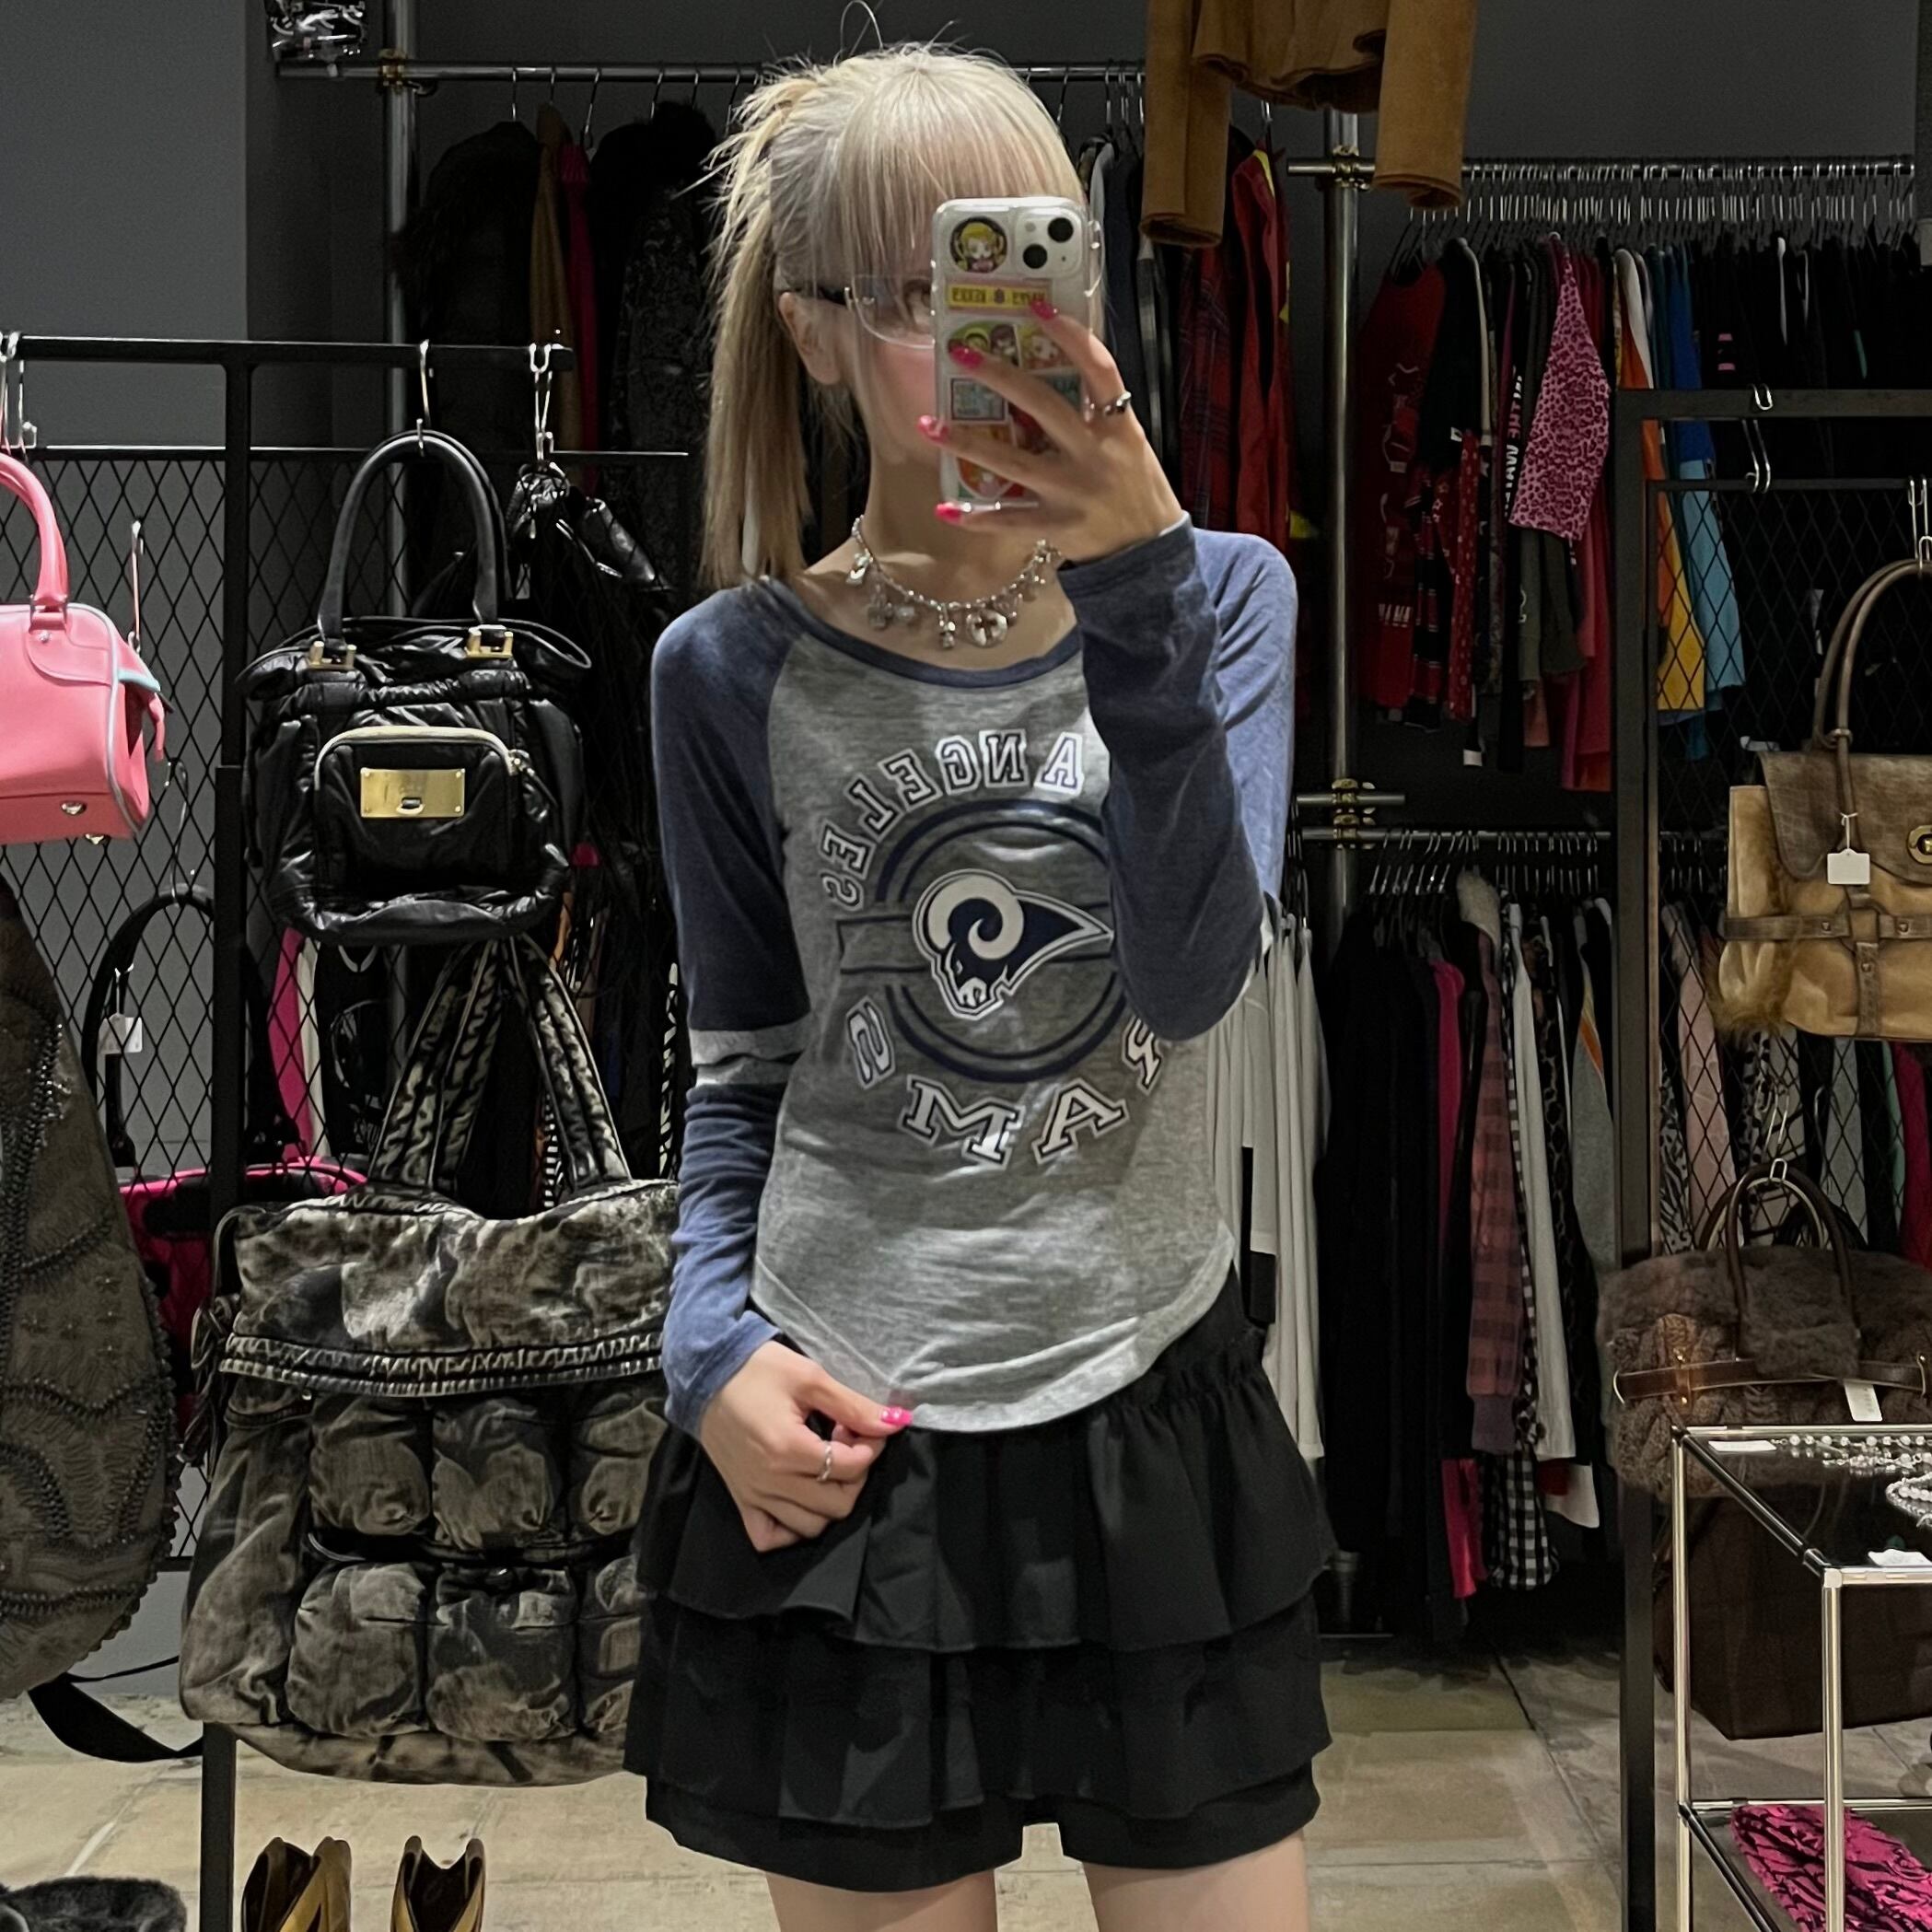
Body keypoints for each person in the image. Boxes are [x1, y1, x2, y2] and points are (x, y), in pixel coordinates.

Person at [625, 43, 1332, 1932]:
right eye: (914, 292)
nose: (976, 340)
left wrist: (1134, 590)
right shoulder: (725, 669)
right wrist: (704, 1350)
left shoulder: (1222, 599)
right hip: (848, 1429)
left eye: (1019, 265)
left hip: (1146, 1392)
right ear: (811, 329)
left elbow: (1188, 979)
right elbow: (741, 1065)